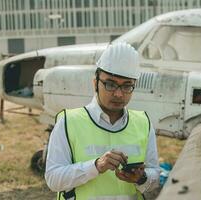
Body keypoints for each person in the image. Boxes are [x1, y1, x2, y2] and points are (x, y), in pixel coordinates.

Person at [45, 42, 160, 200]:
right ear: (95, 83)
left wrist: (142, 178)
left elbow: (155, 177)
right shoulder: (68, 122)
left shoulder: (143, 123)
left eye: (127, 86)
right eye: (110, 84)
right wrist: (95, 166)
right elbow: (53, 179)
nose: (119, 94)